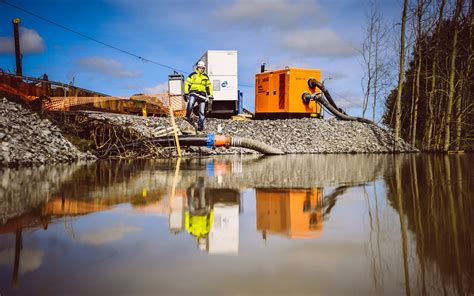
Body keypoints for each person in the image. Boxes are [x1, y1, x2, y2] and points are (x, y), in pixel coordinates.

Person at [184, 61, 214, 131]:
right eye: (200, 68)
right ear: (197, 68)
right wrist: (186, 92)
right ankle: (187, 116)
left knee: (202, 111)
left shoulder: (205, 77)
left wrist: (210, 95)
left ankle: (201, 126)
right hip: (193, 93)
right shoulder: (192, 75)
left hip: (202, 95)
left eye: (203, 68)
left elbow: (209, 87)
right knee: (190, 103)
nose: (201, 69)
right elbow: (187, 84)